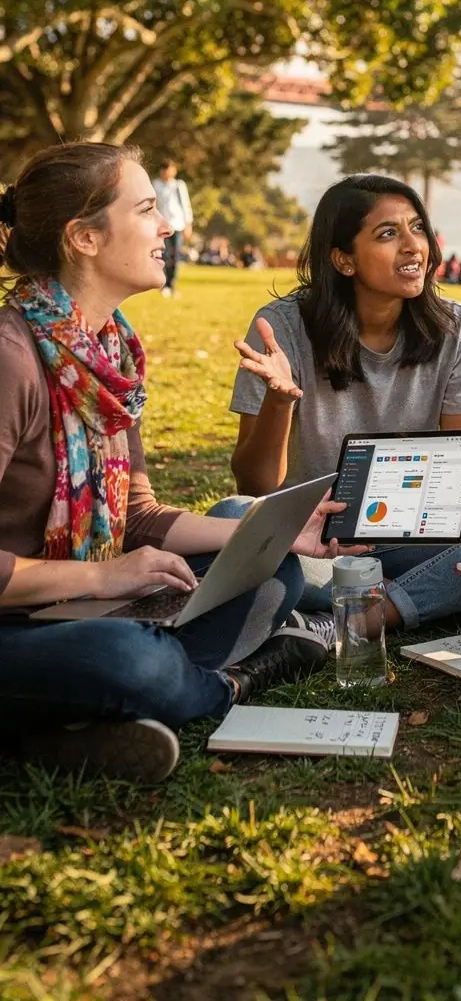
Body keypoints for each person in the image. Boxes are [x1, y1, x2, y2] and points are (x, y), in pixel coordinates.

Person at [0, 144, 357, 783]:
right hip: (25, 619)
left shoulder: (110, 356)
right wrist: (101, 580)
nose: (168, 225)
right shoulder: (13, 359)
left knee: (275, 576)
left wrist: (266, 535)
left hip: (77, 607)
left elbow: (137, 515)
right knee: (135, 661)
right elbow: (110, 567)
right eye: (146, 209)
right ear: (83, 237)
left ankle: (74, 724)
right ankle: (227, 685)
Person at [230, 174, 461, 634]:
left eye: (417, 228)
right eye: (389, 234)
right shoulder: (281, 327)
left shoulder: (458, 328)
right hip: (313, 541)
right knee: (230, 518)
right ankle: (425, 592)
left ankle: (364, 616)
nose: (413, 246)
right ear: (344, 260)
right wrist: (279, 402)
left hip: (418, 534)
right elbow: (255, 482)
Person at [152, 159, 193, 296]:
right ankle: (163, 284)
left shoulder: (178, 185)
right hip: (161, 226)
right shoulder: (156, 185)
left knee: (175, 256)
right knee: (162, 255)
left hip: (177, 225)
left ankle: (171, 284)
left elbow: (185, 205)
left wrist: (188, 224)